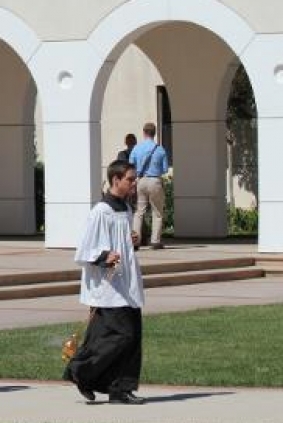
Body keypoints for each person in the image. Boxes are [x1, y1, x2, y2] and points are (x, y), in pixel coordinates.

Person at [63, 159, 145, 405]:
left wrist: (132, 241)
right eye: (130, 179)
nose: (134, 183)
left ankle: (120, 389)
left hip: (127, 283)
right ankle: (81, 370)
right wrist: (103, 257)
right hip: (108, 287)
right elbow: (84, 250)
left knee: (130, 337)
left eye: (134, 179)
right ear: (115, 180)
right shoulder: (101, 212)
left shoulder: (125, 209)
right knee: (122, 335)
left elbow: (123, 242)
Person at [129, 122, 169, 249]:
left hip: (141, 181)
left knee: (139, 212)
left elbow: (131, 164)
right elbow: (165, 169)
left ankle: (135, 241)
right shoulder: (160, 149)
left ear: (144, 133)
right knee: (157, 212)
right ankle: (155, 241)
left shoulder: (137, 148)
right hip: (155, 181)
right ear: (154, 133)